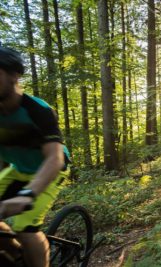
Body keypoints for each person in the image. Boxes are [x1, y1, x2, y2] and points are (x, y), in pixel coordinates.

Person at [0, 46, 71, 267]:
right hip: (17, 169)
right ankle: (17, 255)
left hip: (51, 169)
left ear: (14, 75)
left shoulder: (37, 110)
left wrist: (28, 195)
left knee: (25, 226)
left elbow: (54, 158)